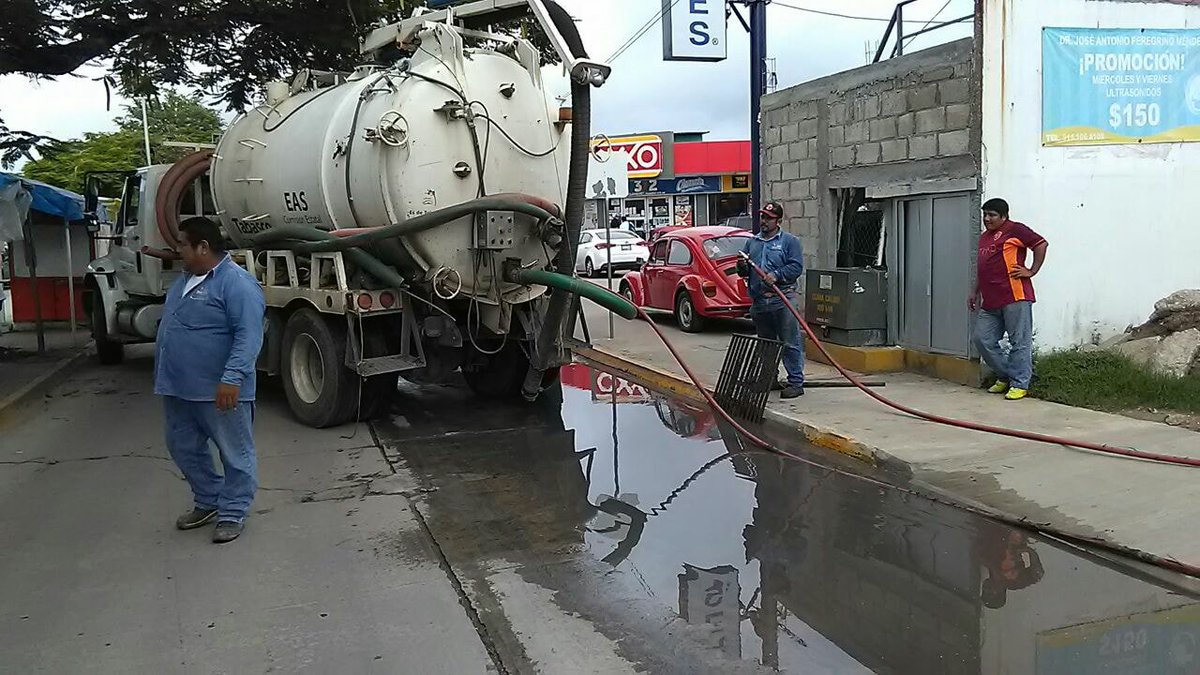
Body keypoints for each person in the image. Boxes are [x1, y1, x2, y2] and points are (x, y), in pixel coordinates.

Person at [156, 217, 266, 543]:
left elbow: (249, 336)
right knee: (182, 447)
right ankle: (209, 500)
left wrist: (232, 378)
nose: (177, 250)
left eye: (182, 244)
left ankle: (232, 513)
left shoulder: (237, 284)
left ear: (203, 247)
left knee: (235, 454)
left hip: (221, 391)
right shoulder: (186, 279)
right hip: (179, 388)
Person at [969, 198, 1048, 401]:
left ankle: (1020, 383)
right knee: (981, 338)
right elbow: (983, 267)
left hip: (1015, 296)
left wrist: (1032, 270)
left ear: (1004, 216)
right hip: (990, 300)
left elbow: (1041, 244)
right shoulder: (985, 237)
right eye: (985, 214)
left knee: (1019, 341)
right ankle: (1005, 374)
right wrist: (974, 291)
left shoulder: (1016, 230)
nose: (987, 219)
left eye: (992, 215)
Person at [740, 202, 806, 399]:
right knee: (766, 344)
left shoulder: (789, 242)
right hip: (760, 302)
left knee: (789, 342)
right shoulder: (753, 243)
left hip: (783, 299)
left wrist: (777, 275)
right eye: (762, 217)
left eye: (768, 218)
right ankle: (770, 379)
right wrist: (742, 266)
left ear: (778, 220)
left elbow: (796, 267)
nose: (764, 221)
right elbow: (744, 272)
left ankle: (795, 382)